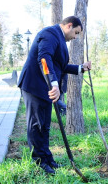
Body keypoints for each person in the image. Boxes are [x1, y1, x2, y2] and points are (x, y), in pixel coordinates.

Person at [18, 16, 92, 174]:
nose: (75, 37)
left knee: (44, 125)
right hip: (34, 85)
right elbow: (44, 58)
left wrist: (81, 68)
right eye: (76, 32)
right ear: (69, 26)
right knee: (36, 124)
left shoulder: (60, 39)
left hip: (45, 89)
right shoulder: (50, 34)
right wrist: (53, 84)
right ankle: (38, 162)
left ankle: (47, 158)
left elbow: (61, 66)